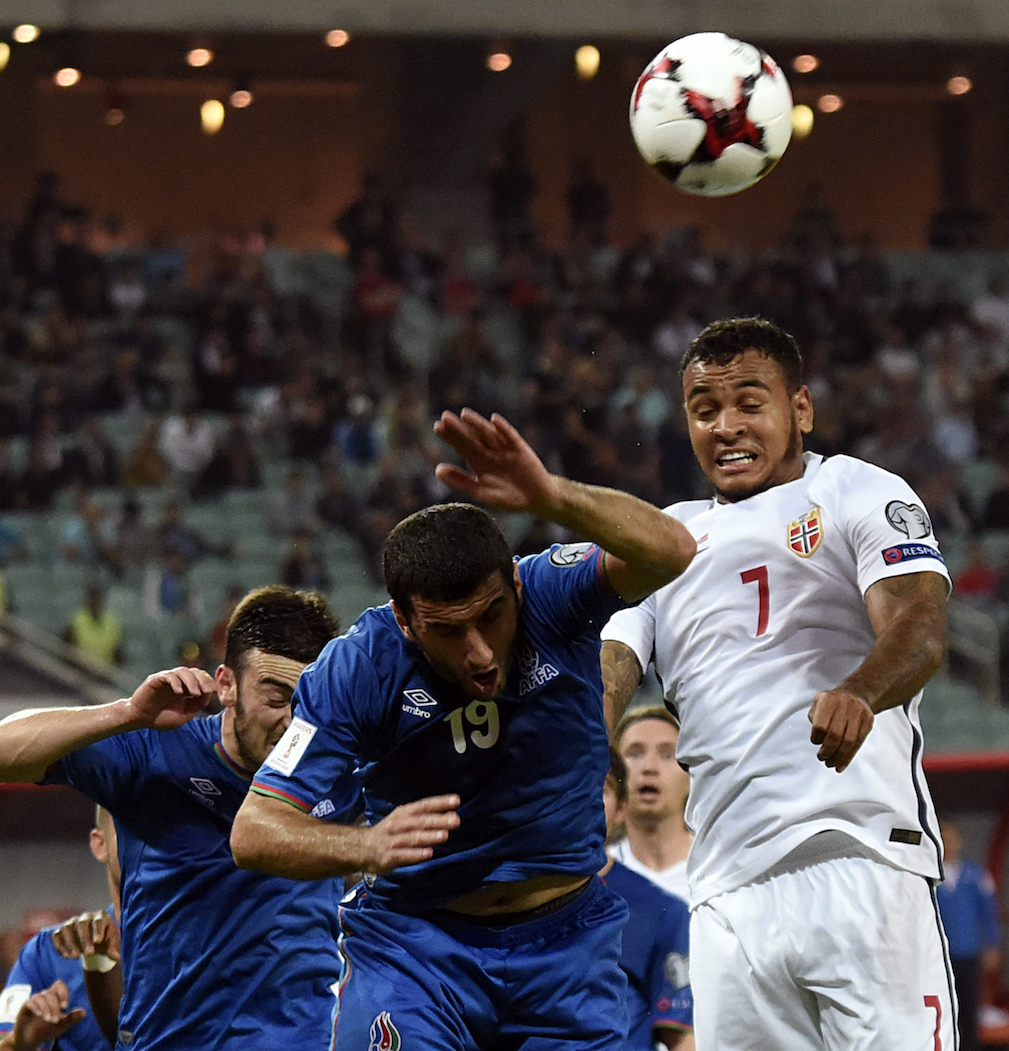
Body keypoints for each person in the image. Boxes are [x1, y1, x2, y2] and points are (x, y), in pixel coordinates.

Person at [229, 408, 696, 1050]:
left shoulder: (550, 593)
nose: (479, 652)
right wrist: (365, 847)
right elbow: (255, 830)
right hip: (416, 948)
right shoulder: (358, 667)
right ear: (404, 620)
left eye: (491, 617)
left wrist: (553, 496)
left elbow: (672, 548)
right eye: (449, 630)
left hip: (568, 944)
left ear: (512, 585)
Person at [600, 318, 953, 1051]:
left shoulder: (853, 486)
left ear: (801, 410)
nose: (726, 427)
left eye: (749, 403)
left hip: (859, 857)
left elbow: (919, 622)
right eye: (704, 410)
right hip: (727, 899)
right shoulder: (668, 537)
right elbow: (608, 668)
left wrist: (860, 688)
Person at [0, 587, 349, 1051]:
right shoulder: (158, 755)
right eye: (275, 697)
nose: (292, 720)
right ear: (225, 684)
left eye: (308, 701)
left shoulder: (340, 767)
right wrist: (128, 713)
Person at [0, 808, 119, 1051]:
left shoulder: (201, 945)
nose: (146, 847)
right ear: (100, 845)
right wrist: (17, 1043)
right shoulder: (50, 952)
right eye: (131, 830)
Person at [601, 749, 694, 1051]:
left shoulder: (661, 912)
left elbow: (681, 1040)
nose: (584, 800)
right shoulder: (506, 900)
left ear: (621, 808)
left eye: (599, 789)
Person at [609, 707, 692, 902]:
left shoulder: (718, 868)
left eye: (667, 755)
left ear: (690, 775)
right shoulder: (599, 875)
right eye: (634, 754)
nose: (649, 767)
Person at [935, 822, 1001, 1051]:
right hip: (938, 955)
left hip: (968, 951)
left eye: (952, 839)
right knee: (944, 1008)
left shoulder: (975, 875)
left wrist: (992, 945)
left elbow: (988, 913)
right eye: (943, 839)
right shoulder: (928, 876)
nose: (948, 845)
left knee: (970, 1006)